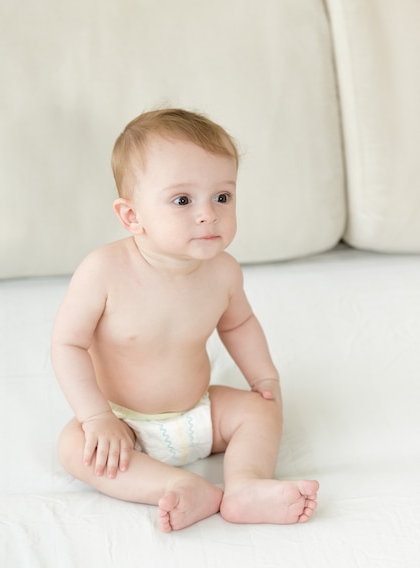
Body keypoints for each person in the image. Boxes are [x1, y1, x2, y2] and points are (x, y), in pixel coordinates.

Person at [51, 108, 319, 532]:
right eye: (182, 200)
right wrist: (96, 416)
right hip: (125, 424)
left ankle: (246, 485)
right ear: (131, 216)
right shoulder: (103, 271)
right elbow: (67, 344)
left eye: (222, 197)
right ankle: (177, 486)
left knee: (260, 413)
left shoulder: (223, 271)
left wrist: (264, 379)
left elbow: (239, 324)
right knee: (73, 447)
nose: (208, 214)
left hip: (201, 413)